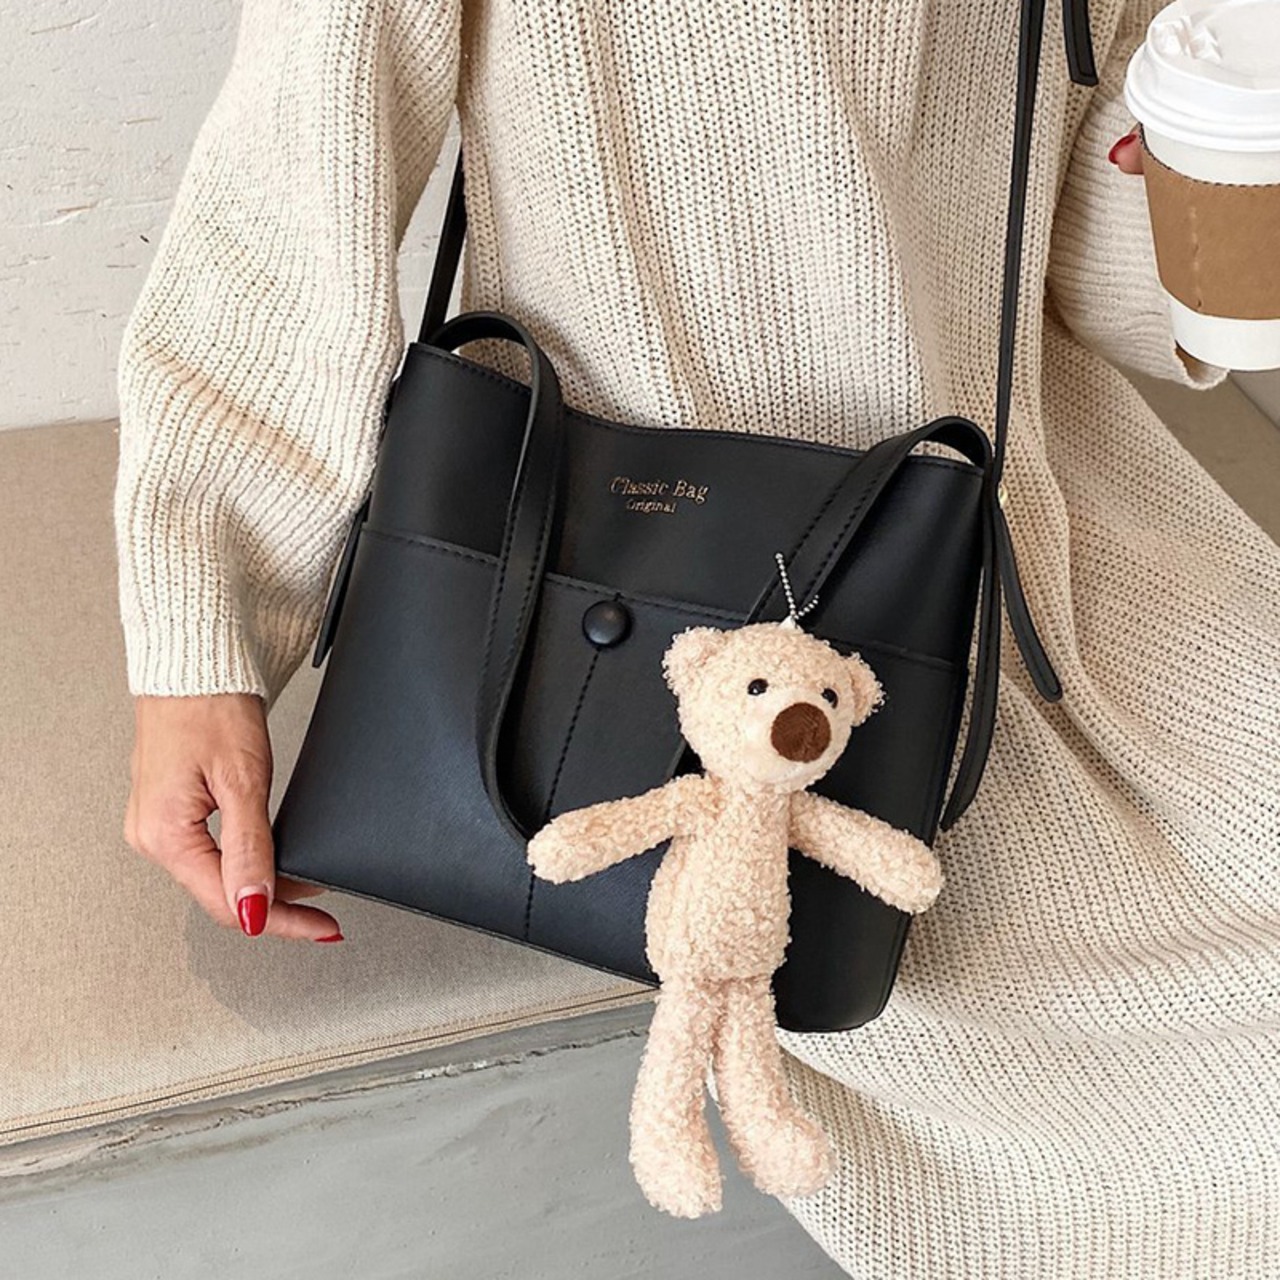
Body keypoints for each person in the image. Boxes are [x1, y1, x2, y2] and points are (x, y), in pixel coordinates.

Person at [114, 1, 1279, 1275]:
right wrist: (197, 634)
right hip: (587, 546)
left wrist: (1198, 178)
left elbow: (1080, 209)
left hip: (992, 526)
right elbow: (297, 172)